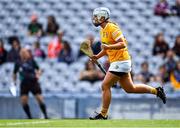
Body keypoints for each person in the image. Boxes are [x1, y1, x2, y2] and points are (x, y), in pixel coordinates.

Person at [89, 7, 166, 120]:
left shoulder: (112, 28)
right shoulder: (102, 30)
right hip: (118, 62)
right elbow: (106, 49)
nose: (94, 19)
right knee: (130, 89)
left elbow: (122, 44)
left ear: (103, 17)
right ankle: (157, 91)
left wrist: (108, 46)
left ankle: (103, 113)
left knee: (105, 85)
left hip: (121, 61)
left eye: (96, 16)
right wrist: (97, 56)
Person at [13, 48, 48, 119]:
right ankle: (29, 117)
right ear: (20, 54)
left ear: (27, 54)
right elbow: (14, 73)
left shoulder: (32, 61)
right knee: (24, 101)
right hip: (24, 83)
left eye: (25, 52)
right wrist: (14, 82)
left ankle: (46, 115)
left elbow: (39, 69)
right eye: (22, 52)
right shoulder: (18, 63)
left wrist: (38, 75)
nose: (23, 54)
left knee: (40, 99)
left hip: (33, 82)